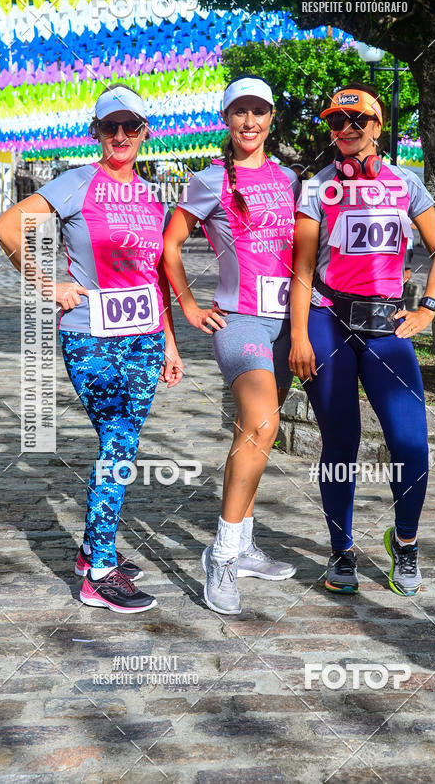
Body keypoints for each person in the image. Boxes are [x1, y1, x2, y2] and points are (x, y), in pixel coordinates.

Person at [0, 83, 183, 613]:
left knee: (118, 447)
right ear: (95, 132)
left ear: (145, 133)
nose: (120, 136)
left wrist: (169, 342)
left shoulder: (150, 197)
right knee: (119, 445)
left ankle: (90, 552)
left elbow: (156, 279)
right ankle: (99, 573)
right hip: (89, 337)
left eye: (131, 127)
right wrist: (46, 284)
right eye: (109, 127)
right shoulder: (76, 183)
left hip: (144, 338)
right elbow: (8, 227)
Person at [289, 82, 435, 597]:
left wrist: (428, 308)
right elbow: (304, 269)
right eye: (337, 123)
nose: (348, 131)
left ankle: (405, 542)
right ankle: (341, 551)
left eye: (358, 122)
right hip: (328, 319)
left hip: (386, 326)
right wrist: (299, 335)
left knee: (409, 443)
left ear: (378, 126)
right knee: (341, 440)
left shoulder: (406, 184)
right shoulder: (316, 187)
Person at [163, 75, 299, 614]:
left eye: (258, 112)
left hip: (288, 323)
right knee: (263, 422)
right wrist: (191, 306)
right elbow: (170, 245)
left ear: (271, 119)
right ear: (226, 119)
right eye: (239, 112)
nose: (249, 122)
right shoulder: (209, 180)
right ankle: (220, 553)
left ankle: (241, 544)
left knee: (257, 432)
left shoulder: (291, 179)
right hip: (240, 322)